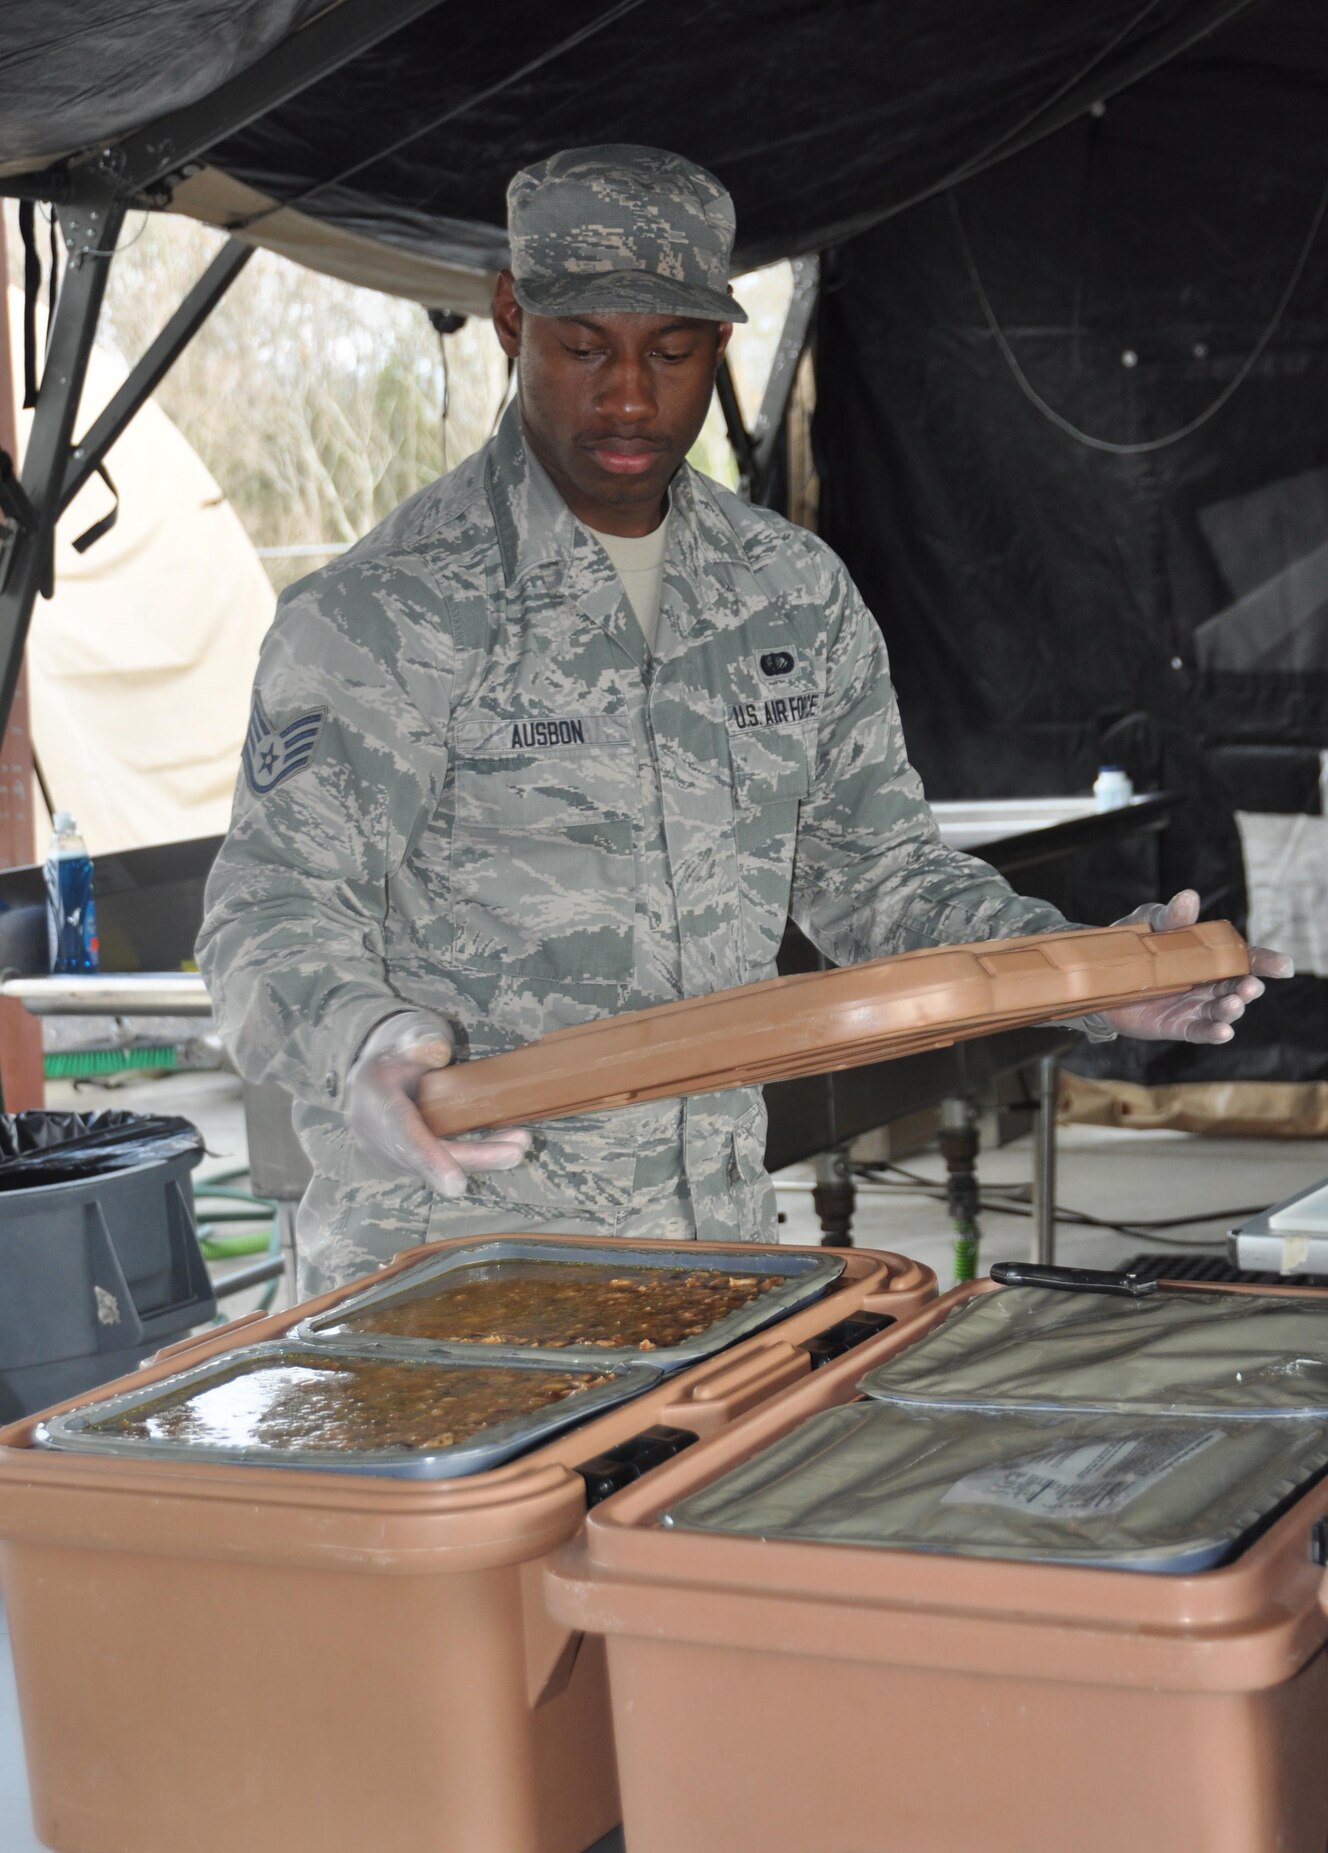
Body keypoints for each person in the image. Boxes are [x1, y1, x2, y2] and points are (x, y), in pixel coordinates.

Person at [198, 144, 1290, 1298]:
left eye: (669, 350)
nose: (628, 394)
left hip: (711, 1258)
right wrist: (363, 1043)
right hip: (458, 1264)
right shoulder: (386, 611)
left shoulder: (789, 592)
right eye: (584, 347)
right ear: (511, 317)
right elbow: (270, 912)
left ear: (719, 343)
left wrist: (1088, 979)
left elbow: (877, 878)